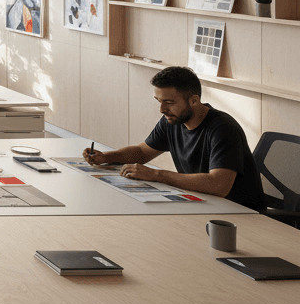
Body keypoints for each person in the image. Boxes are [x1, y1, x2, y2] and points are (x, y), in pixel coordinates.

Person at [82, 66, 264, 210]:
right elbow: (142, 152)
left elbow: (218, 185)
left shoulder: (223, 129)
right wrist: (107, 157)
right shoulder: (172, 120)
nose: (162, 110)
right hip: (202, 204)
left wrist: (156, 175)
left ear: (194, 100)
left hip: (237, 214)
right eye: (159, 101)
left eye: (169, 103)